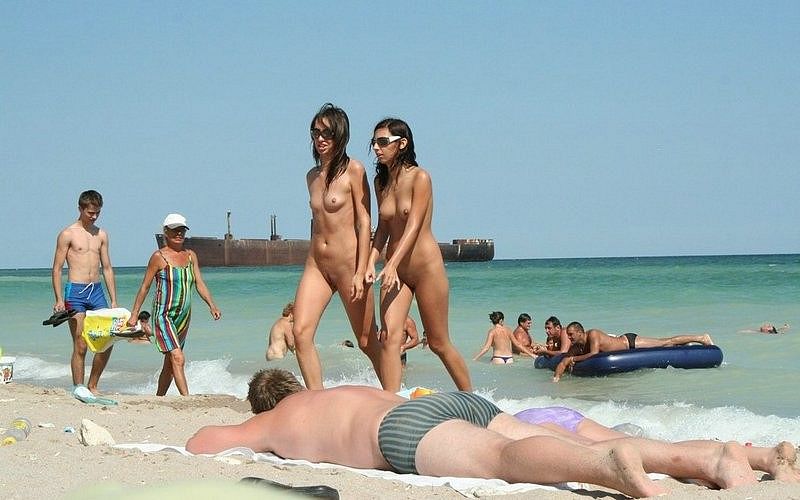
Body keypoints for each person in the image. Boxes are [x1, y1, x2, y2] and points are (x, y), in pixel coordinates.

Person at [186, 369, 800, 497]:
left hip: (400, 430)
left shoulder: (275, 416)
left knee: (506, 459)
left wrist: (255, 427)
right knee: (572, 439)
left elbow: (200, 443)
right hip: (445, 401)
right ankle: (725, 459)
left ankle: (607, 467)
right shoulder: (337, 390)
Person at [366, 118, 471, 392]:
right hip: (396, 271)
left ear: (402, 144)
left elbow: (414, 225)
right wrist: (369, 262)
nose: (376, 147)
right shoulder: (380, 182)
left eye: (383, 142)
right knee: (389, 338)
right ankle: (391, 405)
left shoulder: (420, 177)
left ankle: (473, 401)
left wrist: (391, 264)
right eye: (374, 142)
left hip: (425, 268)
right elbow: (383, 228)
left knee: (438, 343)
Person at [291, 103, 382, 390]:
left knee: (366, 341)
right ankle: (317, 400)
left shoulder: (354, 170)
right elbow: (318, 221)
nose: (320, 138)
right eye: (315, 132)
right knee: (300, 333)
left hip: (348, 265)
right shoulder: (311, 177)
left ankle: (394, 395)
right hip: (317, 265)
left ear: (340, 135)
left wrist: (362, 270)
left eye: (327, 133)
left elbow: (364, 222)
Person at [514, 406, 799, 482]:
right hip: (552, 414)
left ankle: (720, 461)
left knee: (598, 451)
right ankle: (765, 456)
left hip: (528, 425)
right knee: (648, 445)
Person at [128, 213, 221, 396]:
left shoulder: (190, 256)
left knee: (170, 363)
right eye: (175, 230)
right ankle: (186, 398)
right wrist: (134, 314)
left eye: (182, 230)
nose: (179, 233)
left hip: (183, 318)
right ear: (165, 232)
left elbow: (199, 283)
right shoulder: (158, 257)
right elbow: (145, 287)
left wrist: (212, 305)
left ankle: (159, 398)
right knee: (178, 357)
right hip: (164, 316)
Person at [51, 190, 118, 395]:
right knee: (80, 343)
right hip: (75, 292)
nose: (94, 216)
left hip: (97, 291)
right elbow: (57, 269)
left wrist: (114, 300)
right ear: (80, 209)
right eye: (90, 212)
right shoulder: (67, 234)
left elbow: (107, 268)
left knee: (107, 339)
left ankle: (93, 385)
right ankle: (79, 388)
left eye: (97, 212)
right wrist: (59, 299)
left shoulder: (101, 234)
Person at [553, 322, 714, 382]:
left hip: (629, 342)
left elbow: (594, 354)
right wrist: (556, 378)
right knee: (665, 344)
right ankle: (687, 345)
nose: (569, 337)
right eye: (568, 335)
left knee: (665, 342)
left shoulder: (593, 334)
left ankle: (701, 338)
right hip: (625, 347)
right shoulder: (577, 346)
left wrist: (573, 360)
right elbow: (563, 361)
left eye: (571, 335)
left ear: (580, 332)